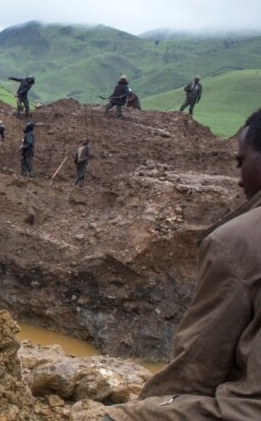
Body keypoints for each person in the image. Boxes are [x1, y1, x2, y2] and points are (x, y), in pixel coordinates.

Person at [103, 108, 261, 421]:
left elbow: (197, 366)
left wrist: (141, 409)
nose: (239, 177)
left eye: (242, 161)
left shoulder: (238, 241)